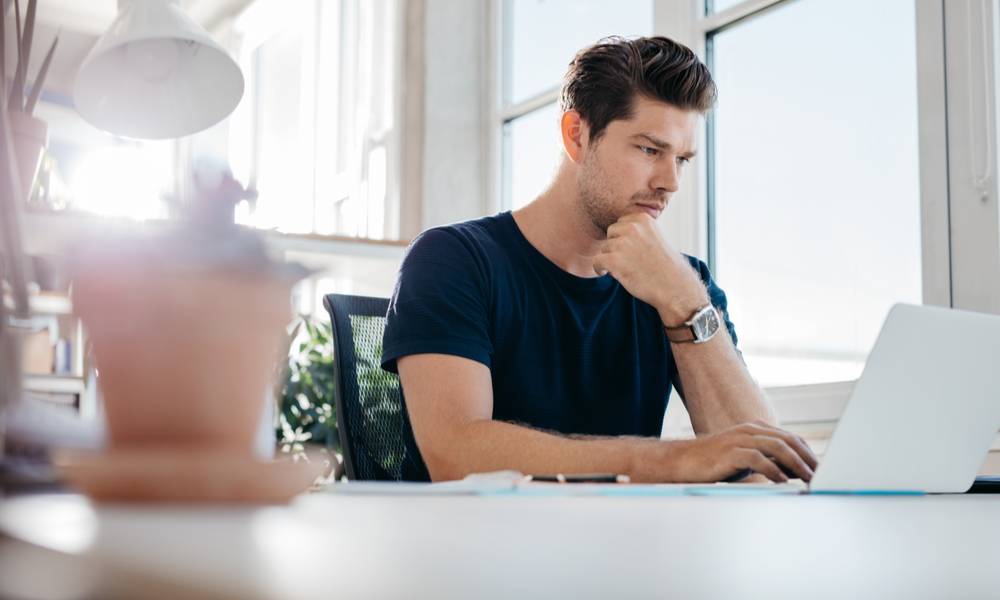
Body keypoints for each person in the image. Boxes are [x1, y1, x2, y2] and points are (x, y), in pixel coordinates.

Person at [381, 36, 817, 483]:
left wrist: (684, 301)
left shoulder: (681, 282)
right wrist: (667, 460)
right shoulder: (454, 260)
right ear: (577, 136)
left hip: (621, 548)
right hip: (474, 547)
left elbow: (763, 466)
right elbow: (455, 454)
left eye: (683, 159)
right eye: (650, 149)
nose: (671, 182)